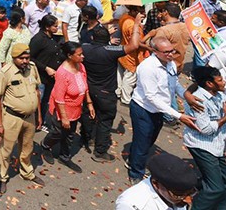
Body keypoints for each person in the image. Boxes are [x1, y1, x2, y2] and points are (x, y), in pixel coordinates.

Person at [127, 38, 198, 184]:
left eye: (171, 51)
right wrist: (178, 115)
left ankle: (133, 159)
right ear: (155, 51)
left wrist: (186, 95)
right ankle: (135, 173)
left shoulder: (169, 63)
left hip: (159, 109)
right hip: (144, 109)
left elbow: (174, 83)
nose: (171, 54)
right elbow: (151, 97)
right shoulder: (148, 68)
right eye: (166, 52)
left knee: (148, 139)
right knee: (143, 141)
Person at [81, 21, 142, 163]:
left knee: (88, 114)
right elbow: (134, 45)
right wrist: (136, 24)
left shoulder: (85, 48)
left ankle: (87, 138)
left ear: (92, 38)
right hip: (106, 93)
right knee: (105, 121)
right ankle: (100, 151)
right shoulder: (110, 51)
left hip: (88, 90)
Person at [183, 66, 226, 209]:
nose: (224, 82)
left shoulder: (220, 95)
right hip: (202, 145)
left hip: (216, 146)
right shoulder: (198, 100)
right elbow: (206, 129)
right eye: (220, 80)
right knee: (215, 188)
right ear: (209, 83)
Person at [0, 44, 44, 193]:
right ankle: (1, 176)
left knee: (27, 147)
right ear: (14, 58)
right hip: (12, 117)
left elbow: (36, 92)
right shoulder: (5, 73)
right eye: (21, 58)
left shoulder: (32, 68)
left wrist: (39, 114)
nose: (25, 61)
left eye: (27, 58)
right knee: (6, 149)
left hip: (30, 118)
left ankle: (27, 172)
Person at [40, 42, 92, 173]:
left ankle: (64, 156)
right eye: (79, 54)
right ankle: (46, 145)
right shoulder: (62, 73)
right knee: (58, 132)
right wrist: (64, 117)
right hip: (62, 109)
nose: (83, 56)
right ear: (69, 55)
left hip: (76, 109)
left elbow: (84, 86)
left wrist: (89, 103)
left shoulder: (81, 67)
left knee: (69, 135)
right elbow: (59, 98)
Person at [115, 152, 199, 210]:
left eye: (191, 192)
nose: (188, 200)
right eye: (178, 195)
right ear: (156, 184)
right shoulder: (131, 204)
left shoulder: (178, 195)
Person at [30, 15, 65, 123]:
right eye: (55, 26)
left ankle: (43, 120)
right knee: (38, 102)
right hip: (41, 77)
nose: (57, 28)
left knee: (46, 100)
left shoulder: (52, 38)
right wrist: (45, 68)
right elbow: (30, 57)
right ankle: (36, 122)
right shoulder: (38, 39)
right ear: (47, 27)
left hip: (51, 78)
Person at [117, 5, 147, 105]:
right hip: (132, 55)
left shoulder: (124, 17)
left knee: (121, 75)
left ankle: (118, 92)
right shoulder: (131, 24)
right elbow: (137, 43)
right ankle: (125, 99)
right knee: (129, 78)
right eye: (140, 12)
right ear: (133, 11)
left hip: (123, 51)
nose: (143, 14)